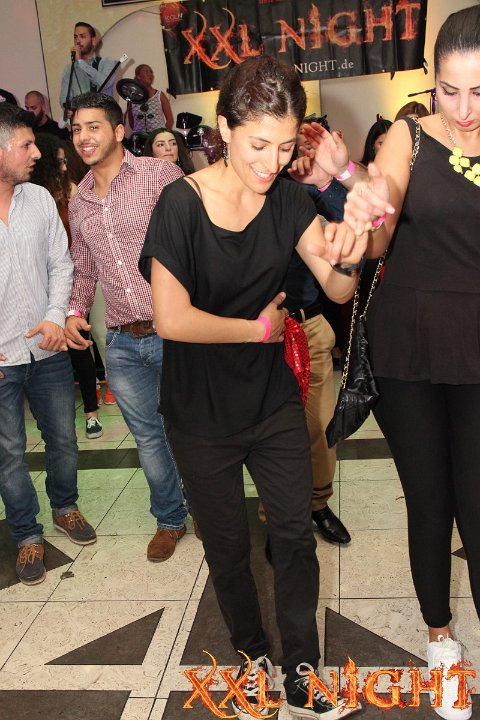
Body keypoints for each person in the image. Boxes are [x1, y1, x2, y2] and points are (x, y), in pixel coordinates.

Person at [139, 56, 365, 719]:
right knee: (229, 550)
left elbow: (338, 289)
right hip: (199, 412)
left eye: (286, 147)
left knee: (293, 537)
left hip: (270, 402)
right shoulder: (180, 204)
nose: (272, 162)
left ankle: (303, 670)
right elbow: (170, 318)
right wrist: (257, 330)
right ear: (224, 128)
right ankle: (252, 655)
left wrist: (352, 241)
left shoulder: (291, 201)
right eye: (259, 144)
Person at [342, 5, 480, 719]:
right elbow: (382, 220)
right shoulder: (409, 135)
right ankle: (440, 642)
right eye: (449, 89)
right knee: (431, 502)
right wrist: (368, 207)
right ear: (431, 79)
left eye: (479, 92)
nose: (463, 108)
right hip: (410, 346)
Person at [64, 92, 187, 562]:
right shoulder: (79, 200)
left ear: (118, 131)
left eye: (93, 126)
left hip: (176, 330)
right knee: (149, 438)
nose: (83, 137)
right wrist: (74, 311)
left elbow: (196, 238)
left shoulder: (159, 175)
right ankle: (170, 519)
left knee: (191, 427)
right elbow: (83, 267)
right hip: (120, 340)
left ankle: (208, 505)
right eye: (76, 129)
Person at [0, 104, 96, 586]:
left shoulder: (38, 199)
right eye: (26, 145)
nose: (36, 153)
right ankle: (26, 534)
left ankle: (65, 507)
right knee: (9, 454)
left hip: (49, 349)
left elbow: (62, 264)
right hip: (2, 360)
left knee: (63, 439)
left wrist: (57, 317)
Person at [30, 133, 104, 440]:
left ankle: (91, 413)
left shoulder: (72, 191)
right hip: (41, 285)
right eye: (58, 162)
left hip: (75, 277)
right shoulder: (31, 198)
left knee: (80, 343)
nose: (64, 167)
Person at [59, 22, 117, 118]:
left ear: (93, 40)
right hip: (81, 120)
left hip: (103, 119)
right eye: (75, 37)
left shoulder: (107, 62)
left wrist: (81, 62)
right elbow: (64, 98)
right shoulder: (69, 69)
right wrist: (67, 108)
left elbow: (104, 83)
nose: (78, 41)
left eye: (82, 36)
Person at [127, 64, 174, 134]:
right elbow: (131, 122)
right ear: (138, 76)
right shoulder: (132, 98)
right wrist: (140, 134)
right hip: (140, 138)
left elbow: (170, 120)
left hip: (158, 137)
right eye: (146, 71)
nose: (150, 74)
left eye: (151, 72)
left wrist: (162, 135)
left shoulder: (160, 95)